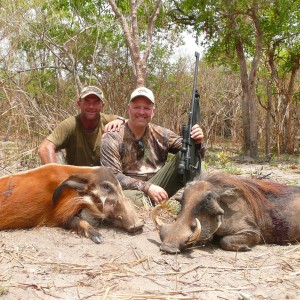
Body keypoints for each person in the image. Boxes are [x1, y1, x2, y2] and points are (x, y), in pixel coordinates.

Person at [100, 87, 204, 206]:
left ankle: (200, 199)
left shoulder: (163, 134)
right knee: (118, 199)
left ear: (153, 112)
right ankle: (145, 204)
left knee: (187, 154)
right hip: (128, 191)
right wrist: (147, 187)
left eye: (146, 108)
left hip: (158, 187)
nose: (141, 112)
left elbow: (196, 156)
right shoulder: (112, 137)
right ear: (129, 109)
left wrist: (197, 142)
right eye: (137, 107)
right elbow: (112, 177)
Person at [38, 85, 125, 166]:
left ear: (102, 105)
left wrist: (121, 120)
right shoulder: (70, 124)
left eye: (96, 102)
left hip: (105, 176)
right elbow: (44, 148)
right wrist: (56, 176)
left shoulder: (108, 120)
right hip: (77, 178)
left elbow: (132, 123)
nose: (91, 107)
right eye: (87, 102)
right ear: (79, 103)